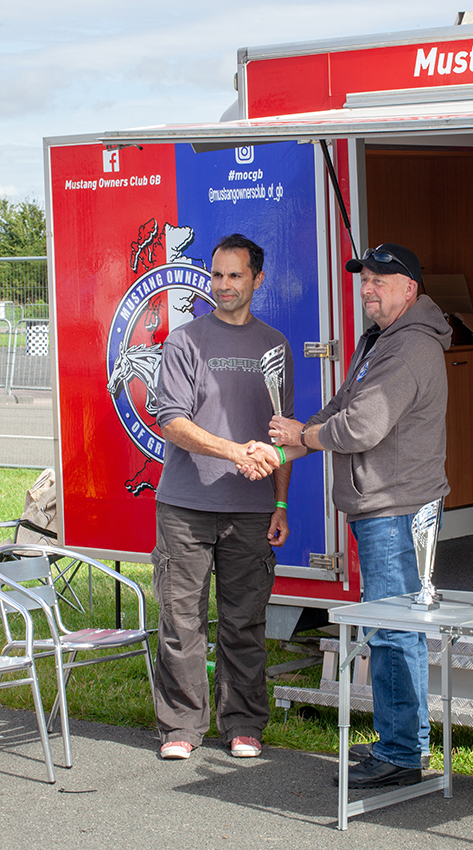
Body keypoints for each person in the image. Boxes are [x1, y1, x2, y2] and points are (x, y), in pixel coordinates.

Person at [268, 242, 451, 789]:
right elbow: (344, 403)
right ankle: (404, 740)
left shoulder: (409, 347)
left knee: (393, 630)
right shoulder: (381, 338)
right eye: (364, 279)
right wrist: (299, 437)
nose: (367, 289)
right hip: (387, 505)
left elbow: (361, 426)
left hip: (396, 508)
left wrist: (304, 438)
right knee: (393, 627)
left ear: (409, 289)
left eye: (380, 281)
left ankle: (401, 755)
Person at [152, 233, 293, 761]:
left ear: (258, 278)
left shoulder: (275, 346)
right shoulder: (185, 341)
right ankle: (181, 726)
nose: (224, 285)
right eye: (217, 275)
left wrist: (280, 504)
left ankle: (243, 724)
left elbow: (283, 436)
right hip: (185, 506)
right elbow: (171, 421)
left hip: (251, 510)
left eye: (235, 275)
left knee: (244, 622)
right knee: (180, 621)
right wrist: (234, 451)